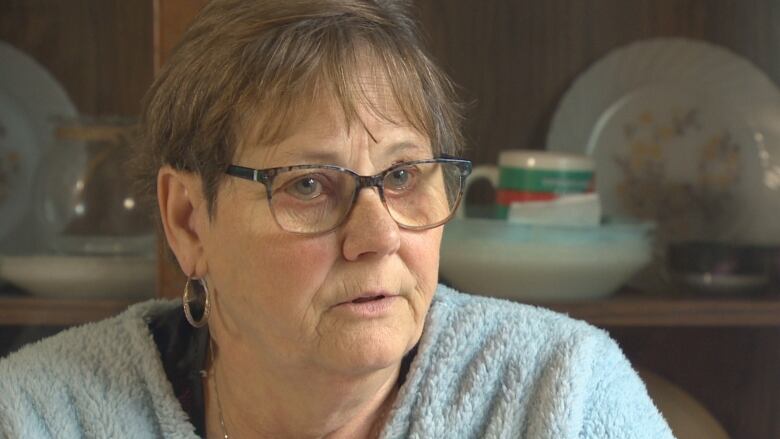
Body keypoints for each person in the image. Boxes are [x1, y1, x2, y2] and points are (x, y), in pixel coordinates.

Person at [0, 1, 675, 438]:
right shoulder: (40, 415)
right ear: (189, 222)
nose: (379, 236)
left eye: (404, 175)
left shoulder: (558, 394)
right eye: (310, 185)